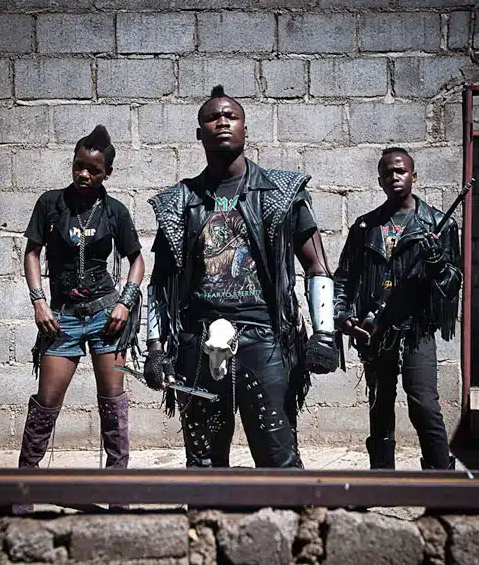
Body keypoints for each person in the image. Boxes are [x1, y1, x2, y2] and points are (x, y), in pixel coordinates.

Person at [142, 85, 340, 468]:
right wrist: (154, 347)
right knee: (203, 464)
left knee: (279, 460)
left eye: (230, 116)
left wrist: (325, 334)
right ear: (199, 133)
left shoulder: (281, 192)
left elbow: (317, 265)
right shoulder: (178, 201)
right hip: (197, 343)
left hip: (264, 340)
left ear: (245, 129)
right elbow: (160, 283)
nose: (222, 122)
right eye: (212, 117)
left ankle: (285, 511)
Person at [15, 125, 145, 509]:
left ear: (107, 173)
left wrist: (125, 302)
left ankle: (117, 492)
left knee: (113, 404)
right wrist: (39, 301)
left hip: (107, 317)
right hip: (62, 319)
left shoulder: (115, 211)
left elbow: (137, 260)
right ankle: (23, 488)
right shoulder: (50, 204)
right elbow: (32, 253)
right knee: (46, 402)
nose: (84, 174)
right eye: (79, 166)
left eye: (93, 170)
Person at [333, 147, 462, 470]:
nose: (394, 177)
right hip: (377, 331)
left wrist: (437, 265)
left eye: (401, 171)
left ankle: (440, 479)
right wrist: (344, 317)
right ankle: (382, 479)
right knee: (380, 406)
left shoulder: (439, 224)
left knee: (425, 405)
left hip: (416, 330)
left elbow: (452, 283)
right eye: (388, 172)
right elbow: (344, 278)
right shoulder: (365, 227)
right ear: (380, 180)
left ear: (414, 176)